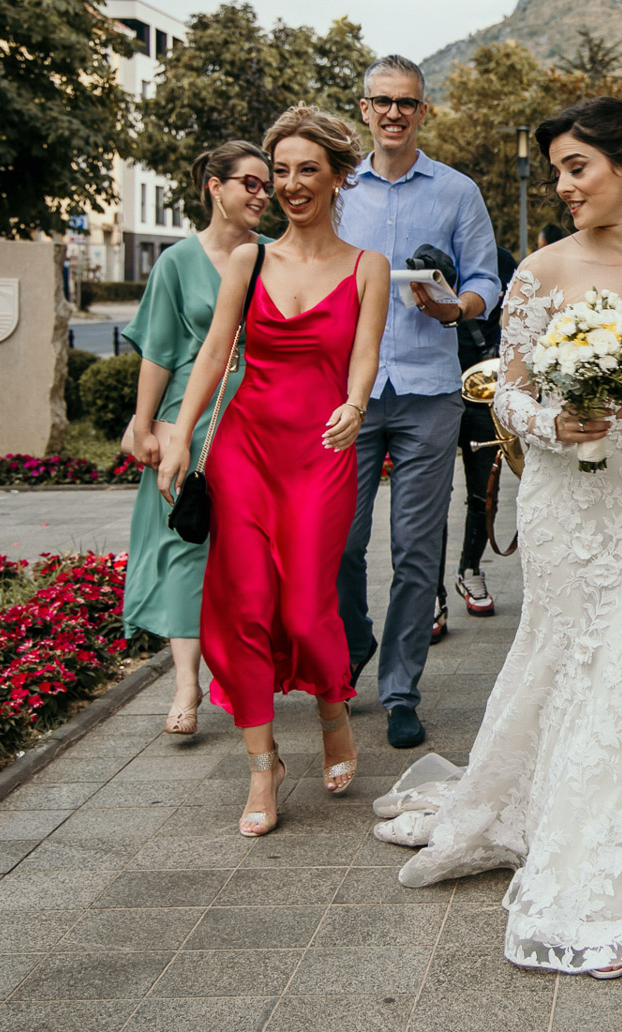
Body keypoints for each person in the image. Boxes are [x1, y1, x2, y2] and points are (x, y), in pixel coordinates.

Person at [372, 97, 622, 978]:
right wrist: (554, 425)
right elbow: (506, 392)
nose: (563, 185)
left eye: (576, 167)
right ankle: (583, 869)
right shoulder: (541, 272)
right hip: (567, 499)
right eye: (557, 170)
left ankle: (619, 858)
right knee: (573, 657)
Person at [159, 105, 390, 839]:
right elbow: (213, 352)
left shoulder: (368, 266)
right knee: (246, 606)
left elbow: (364, 355)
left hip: (321, 451)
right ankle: (263, 767)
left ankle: (332, 712)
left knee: (305, 609)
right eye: (279, 171)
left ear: (339, 177)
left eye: (306, 170)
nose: (289, 185)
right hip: (246, 451)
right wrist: (180, 435)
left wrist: (356, 404)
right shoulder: (248, 260)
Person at [334, 54, 501, 751]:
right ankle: (355, 641)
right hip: (349, 392)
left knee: (415, 549)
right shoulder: (339, 189)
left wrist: (454, 308)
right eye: (382, 101)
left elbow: (487, 280)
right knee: (339, 544)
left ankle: (401, 689)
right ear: (365, 109)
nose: (394, 113)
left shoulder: (458, 191)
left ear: (423, 111)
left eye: (406, 102)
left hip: (430, 391)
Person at [120, 142, 271, 735]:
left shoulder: (274, 256)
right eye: (250, 183)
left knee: (252, 550)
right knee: (187, 541)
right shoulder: (177, 262)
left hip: (259, 417)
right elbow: (158, 351)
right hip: (193, 419)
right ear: (215, 186)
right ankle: (186, 682)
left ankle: (247, 669)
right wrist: (145, 425)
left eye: (266, 185)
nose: (262, 194)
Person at [432, 239, 523, 638]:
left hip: (485, 390)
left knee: (484, 490)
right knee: (430, 498)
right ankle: (431, 591)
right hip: (433, 388)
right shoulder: (425, 257)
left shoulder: (502, 261)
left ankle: (470, 570)